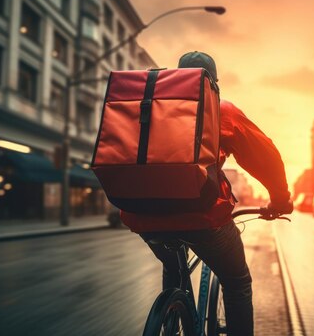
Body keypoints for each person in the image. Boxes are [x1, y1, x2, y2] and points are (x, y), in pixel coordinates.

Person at [120, 51, 293, 336]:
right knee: (237, 281)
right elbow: (265, 157)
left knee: (173, 268)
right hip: (203, 216)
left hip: (141, 213)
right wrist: (280, 199)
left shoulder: (148, 106)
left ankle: (172, 320)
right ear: (214, 82)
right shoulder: (220, 109)